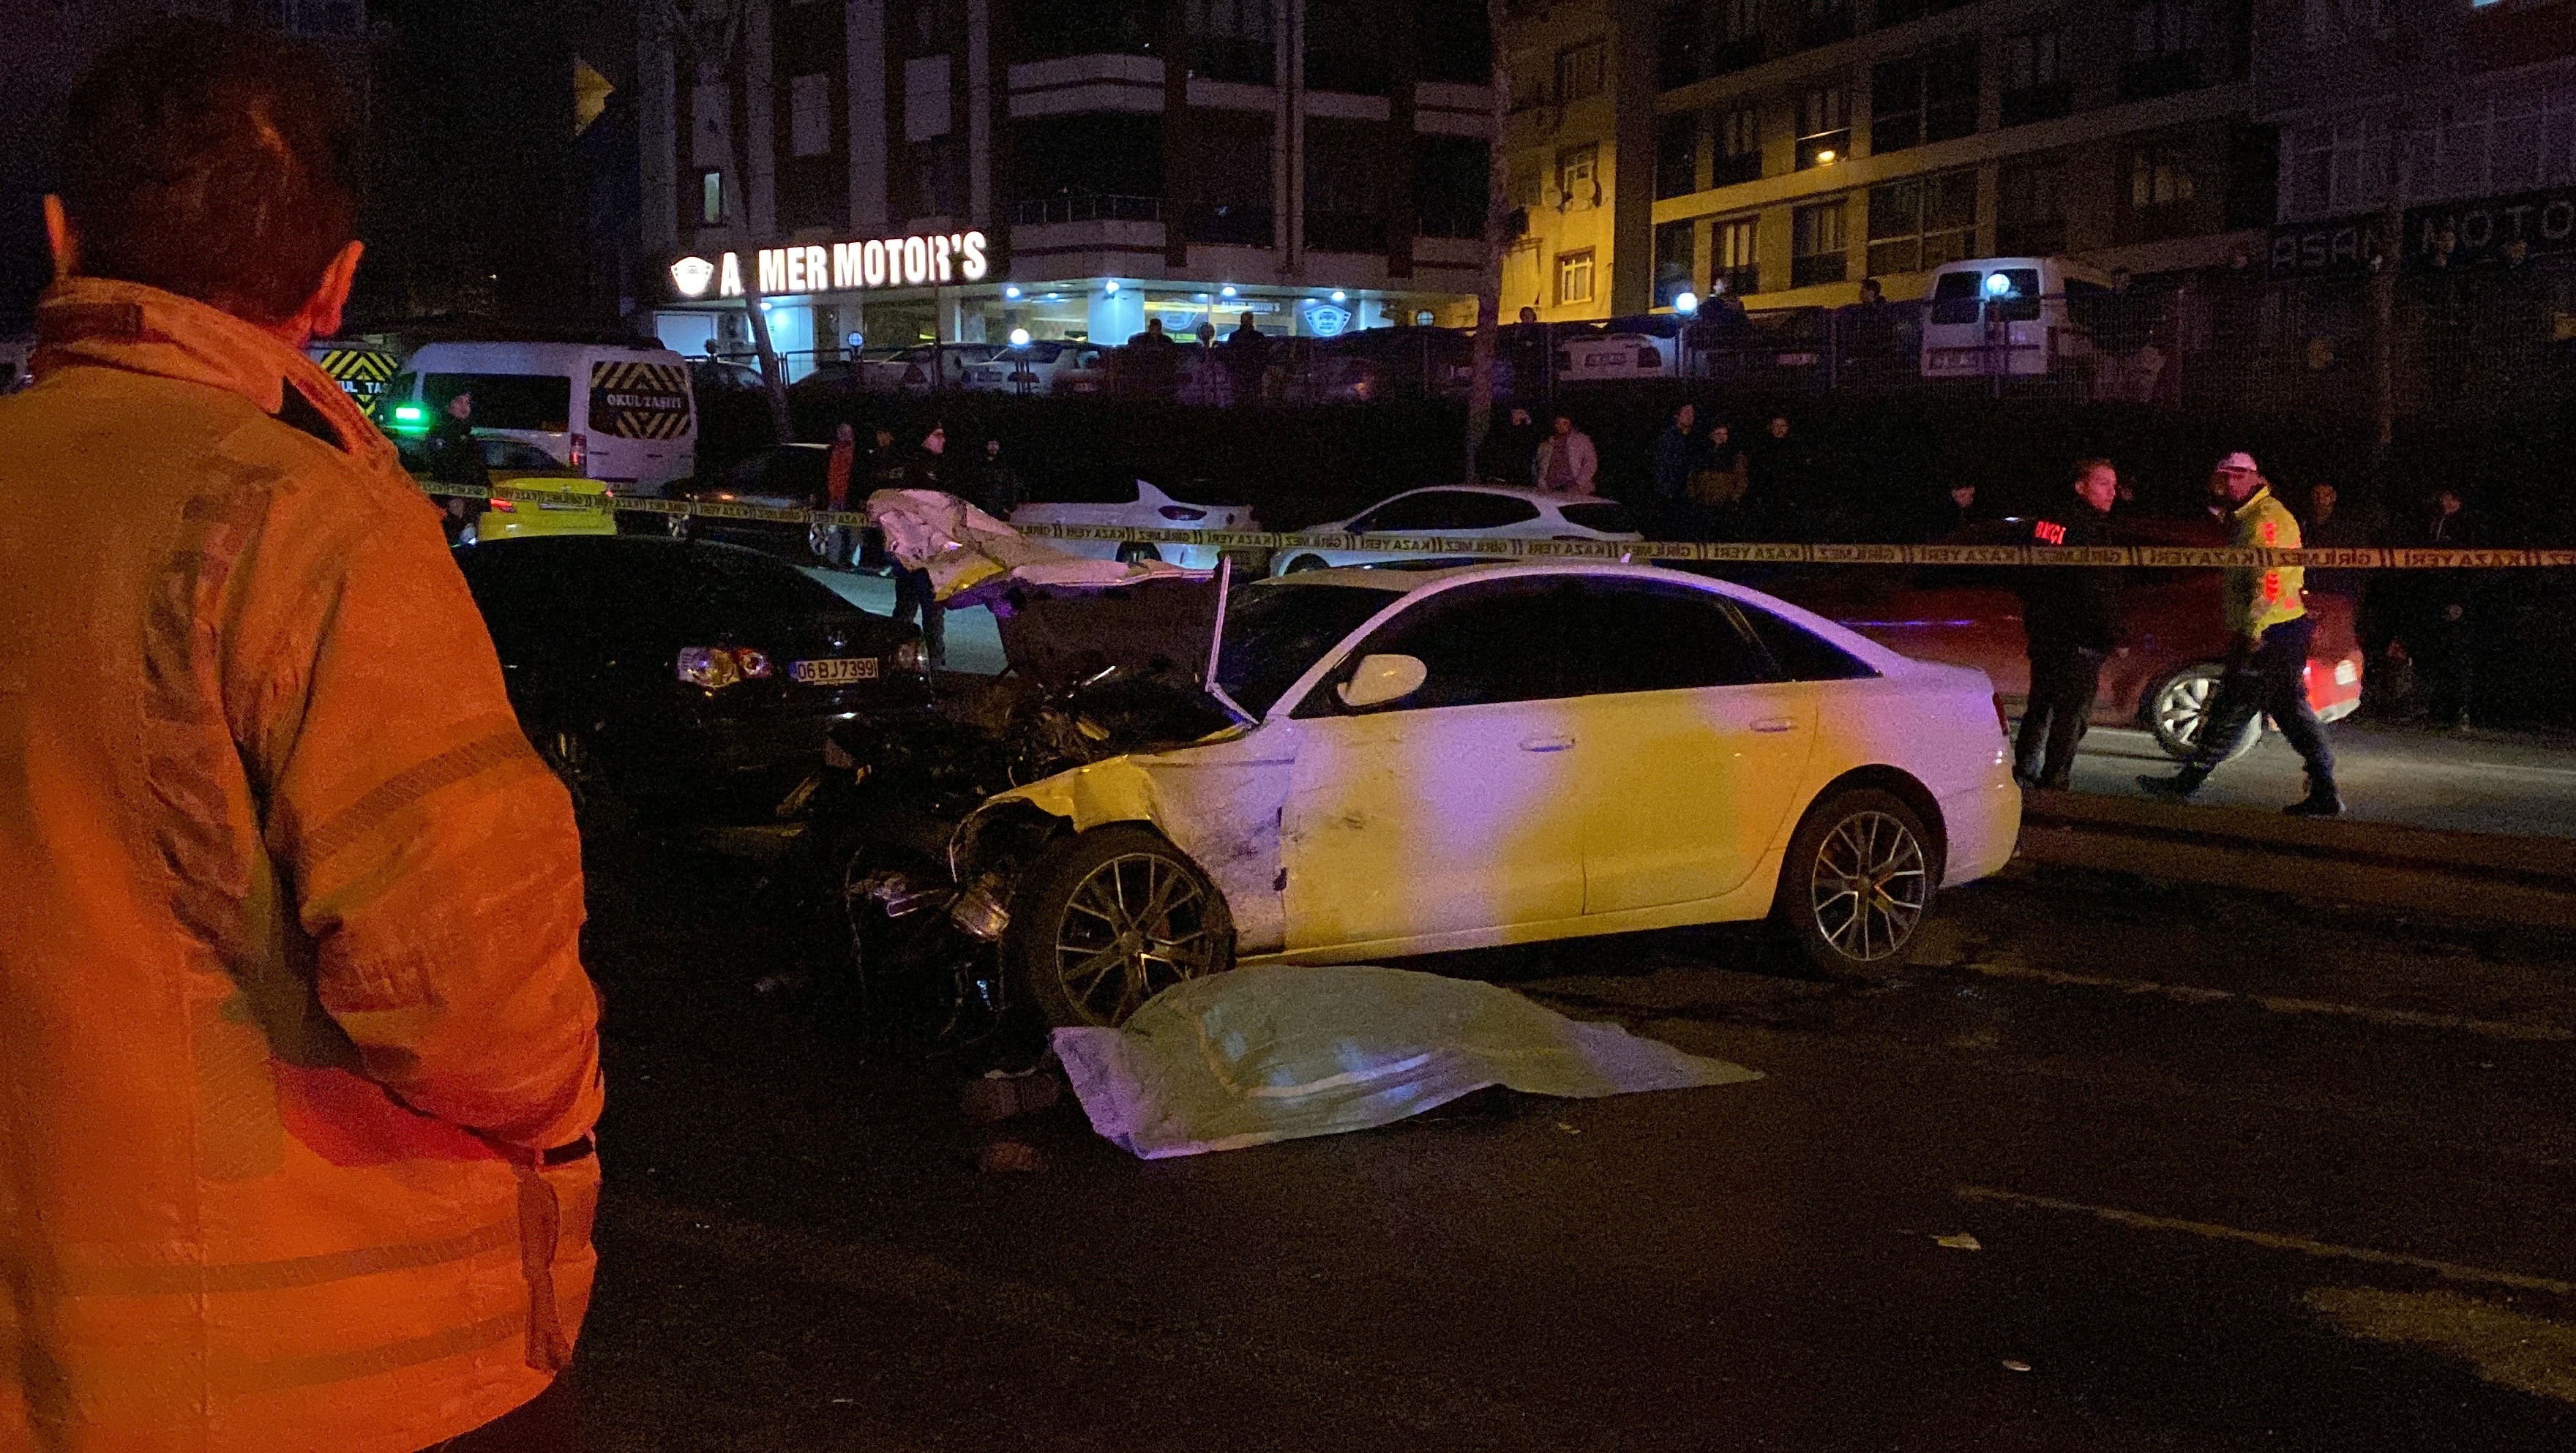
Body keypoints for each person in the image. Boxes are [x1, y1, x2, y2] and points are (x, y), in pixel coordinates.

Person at [1, 22, 604, 1452]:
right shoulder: (302, 524)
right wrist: (565, 1116)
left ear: (61, 235)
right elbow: (477, 1003)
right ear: (333, 280)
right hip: (338, 1382)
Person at [2141, 452, 2342, 814]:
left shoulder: (2265, 520)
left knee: (2281, 711)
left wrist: (2254, 631)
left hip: (2272, 632)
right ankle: (2190, 780)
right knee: (2239, 706)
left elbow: (2270, 579)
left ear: (2255, 479)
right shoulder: (2249, 517)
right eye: (2225, 477)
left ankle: (2324, 790)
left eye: (2238, 477)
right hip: (2269, 630)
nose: (2230, 484)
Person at [2014, 459, 2122, 789]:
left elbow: (2031, 575)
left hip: (2048, 630)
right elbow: (2095, 587)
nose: (2112, 492)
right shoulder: (2091, 529)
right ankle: (2055, 782)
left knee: (2041, 704)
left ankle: (2024, 772)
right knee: (2071, 714)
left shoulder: (2049, 521)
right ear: (2080, 486)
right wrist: (2110, 634)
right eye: (2103, 483)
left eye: (2114, 485)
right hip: (2080, 635)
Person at [2397, 485, 2480, 730]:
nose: (2445, 500)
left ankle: (2458, 712)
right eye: (2443, 496)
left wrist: (2461, 602)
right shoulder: (2432, 523)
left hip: (2455, 602)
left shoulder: (2468, 527)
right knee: (2431, 654)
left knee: (2456, 657)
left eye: (2450, 496)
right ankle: (2434, 710)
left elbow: (2472, 568)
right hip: (2429, 599)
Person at [890, 424, 951, 669]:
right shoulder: (918, 467)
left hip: (921, 554)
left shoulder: (938, 467)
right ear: (925, 438)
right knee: (925, 611)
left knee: (914, 611)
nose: (943, 440)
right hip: (918, 554)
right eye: (938, 435)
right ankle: (932, 666)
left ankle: (900, 661)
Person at [1649, 402, 1699, 528]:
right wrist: (1667, 489)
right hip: (1672, 492)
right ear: (1677, 415)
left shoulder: (1693, 437)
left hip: (1688, 493)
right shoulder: (1669, 436)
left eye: (1692, 413)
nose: (1690, 416)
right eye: (1686, 412)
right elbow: (1663, 464)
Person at [817, 419, 857, 566]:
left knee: (852, 533)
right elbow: (823, 475)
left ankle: (851, 563)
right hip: (833, 498)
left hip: (850, 499)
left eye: (847, 433)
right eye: (842, 433)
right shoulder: (830, 452)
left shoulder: (858, 453)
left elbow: (861, 477)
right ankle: (834, 562)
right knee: (833, 531)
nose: (844, 436)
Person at [1532, 413, 1598, 495]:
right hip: (1550, 490)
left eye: (1565, 423)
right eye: (1558, 423)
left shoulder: (1581, 440)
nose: (1561, 426)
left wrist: (1579, 483)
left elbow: (1591, 463)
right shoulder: (1547, 443)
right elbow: (1536, 465)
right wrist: (1540, 482)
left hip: (1576, 490)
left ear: (1570, 424)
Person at [1478, 405, 1541, 485]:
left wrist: (1526, 424)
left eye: (1521, 413)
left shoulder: (1528, 432)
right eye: (1515, 412)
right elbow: (1486, 451)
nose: (1517, 415)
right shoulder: (1500, 431)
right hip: (1499, 477)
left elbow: (1531, 444)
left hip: (1520, 478)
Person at [1122, 315, 1180, 400]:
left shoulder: (1165, 341)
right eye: (1153, 328)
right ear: (1149, 328)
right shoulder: (1140, 339)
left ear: (1160, 329)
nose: (1154, 331)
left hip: (1160, 370)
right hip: (1145, 370)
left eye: (1156, 329)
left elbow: (1171, 354)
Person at [1221, 311, 1269, 406]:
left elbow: (1230, 354)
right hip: (1251, 374)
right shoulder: (1258, 337)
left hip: (1242, 373)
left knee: (1241, 399)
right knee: (1251, 399)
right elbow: (1264, 355)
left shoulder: (1235, 336)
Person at [968, 436, 1023, 519]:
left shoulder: (1005, 467)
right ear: (986, 446)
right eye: (990, 443)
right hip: (980, 509)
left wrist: (1008, 508)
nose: (993, 446)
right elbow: (972, 487)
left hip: (999, 511)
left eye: (995, 444)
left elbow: (1014, 488)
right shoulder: (978, 466)